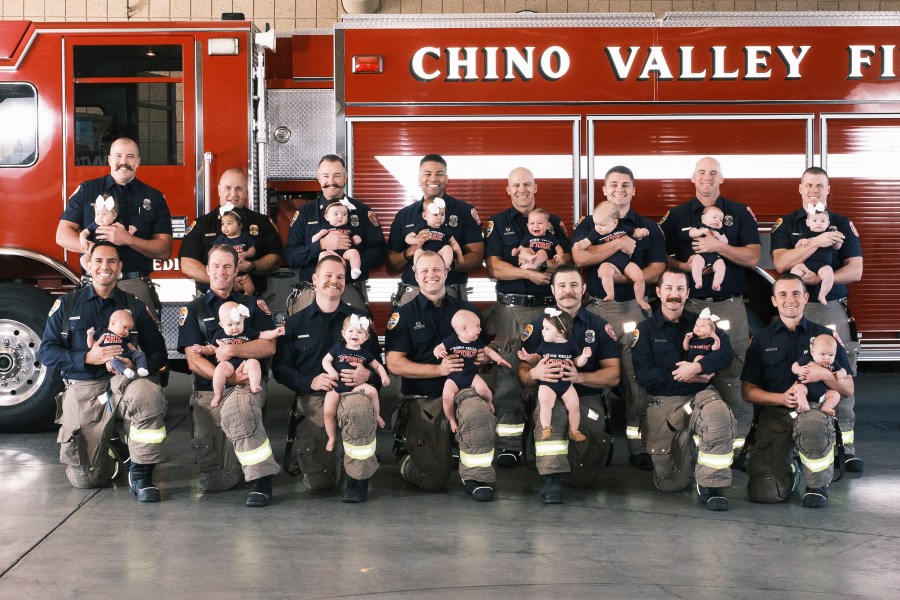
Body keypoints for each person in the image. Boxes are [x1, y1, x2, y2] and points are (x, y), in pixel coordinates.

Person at [40, 242, 167, 501]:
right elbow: (47, 352)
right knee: (86, 479)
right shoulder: (67, 305)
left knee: (148, 395)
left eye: (111, 261)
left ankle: (141, 474)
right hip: (85, 387)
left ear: (120, 267)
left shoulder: (135, 305)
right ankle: (115, 450)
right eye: (99, 260)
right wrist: (87, 356)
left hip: (124, 381)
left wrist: (135, 364)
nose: (104, 267)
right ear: (88, 264)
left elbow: (159, 354)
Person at [659, 156, 760, 465]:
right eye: (701, 172)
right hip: (689, 309)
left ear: (721, 179)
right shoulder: (676, 216)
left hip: (729, 306)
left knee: (735, 374)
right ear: (693, 178)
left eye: (713, 173)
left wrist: (721, 249)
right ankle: (691, 444)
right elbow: (662, 260)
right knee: (690, 372)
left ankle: (738, 446)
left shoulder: (740, 213)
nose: (707, 177)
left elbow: (753, 256)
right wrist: (684, 265)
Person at [571, 166, 666, 471]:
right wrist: (618, 244)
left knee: (637, 380)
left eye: (626, 185)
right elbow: (580, 258)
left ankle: (638, 445)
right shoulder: (589, 223)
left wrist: (625, 279)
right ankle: (598, 441)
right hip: (596, 311)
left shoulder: (646, 226)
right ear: (604, 189)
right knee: (596, 379)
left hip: (633, 311)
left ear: (634, 190)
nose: (619, 189)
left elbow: (657, 268)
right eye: (613, 184)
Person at [770, 167, 863, 473]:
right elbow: (780, 262)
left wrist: (821, 278)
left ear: (828, 189)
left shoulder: (842, 224)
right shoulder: (787, 223)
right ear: (800, 188)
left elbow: (855, 270)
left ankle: (845, 447)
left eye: (819, 186)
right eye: (808, 185)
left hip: (828, 307)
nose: (813, 190)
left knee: (839, 374)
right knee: (790, 374)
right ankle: (794, 442)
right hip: (795, 309)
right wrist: (816, 242)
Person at [385, 251, 498, 502]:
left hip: (463, 390)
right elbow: (394, 363)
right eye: (424, 270)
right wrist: (438, 370)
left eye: (436, 269)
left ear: (447, 271)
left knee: (478, 413)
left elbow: (484, 349)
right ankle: (405, 451)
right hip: (423, 398)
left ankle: (477, 477)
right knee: (432, 479)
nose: (430, 275)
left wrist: (483, 358)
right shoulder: (403, 315)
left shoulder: (467, 310)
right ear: (415, 274)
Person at [177, 244, 281, 507]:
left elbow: (268, 346)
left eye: (227, 266)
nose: (221, 272)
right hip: (211, 389)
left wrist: (233, 350)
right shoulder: (193, 310)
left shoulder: (253, 305)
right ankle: (236, 464)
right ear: (207, 269)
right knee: (219, 481)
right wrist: (223, 377)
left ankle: (261, 481)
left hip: (247, 383)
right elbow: (193, 358)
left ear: (236, 270)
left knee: (241, 413)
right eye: (216, 266)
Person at [272, 255, 383, 503]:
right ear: (314, 280)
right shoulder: (294, 323)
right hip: (313, 399)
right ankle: (333, 462)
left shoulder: (360, 321)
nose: (334, 281)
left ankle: (358, 479)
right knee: (320, 483)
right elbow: (280, 368)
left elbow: (379, 365)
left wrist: (368, 375)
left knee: (357, 410)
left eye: (340, 277)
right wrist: (308, 382)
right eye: (328, 276)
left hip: (353, 394)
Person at [741, 274, 855, 508]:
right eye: (782, 294)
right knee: (765, 494)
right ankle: (789, 470)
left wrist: (824, 375)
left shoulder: (826, 337)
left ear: (805, 298)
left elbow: (848, 389)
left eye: (795, 293)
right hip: (775, 414)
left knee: (812, 423)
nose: (789, 299)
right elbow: (748, 392)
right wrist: (780, 398)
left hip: (813, 410)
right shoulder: (761, 338)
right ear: (774, 301)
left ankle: (816, 485)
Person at [484, 167, 571, 467]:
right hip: (513, 309)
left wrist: (547, 269)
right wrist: (526, 274)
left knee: (552, 368)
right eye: (516, 185)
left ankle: (547, 438)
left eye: (527, 185)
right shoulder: (498, 223)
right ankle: (509, 443)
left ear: (536, 187)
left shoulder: (553, 222)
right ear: (508, 190)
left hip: (550, 309)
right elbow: (494, 267)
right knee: (508, 371)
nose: (522, 190)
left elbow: (568, 260)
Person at [631, 269, 737, 511]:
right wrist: (685, 376)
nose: (674, 294)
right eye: (668, 288)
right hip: (665, 401)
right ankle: (688, 461)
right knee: (671, 484)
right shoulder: (645, 330)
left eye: (680, 289)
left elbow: (725, 352)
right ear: (658, 292)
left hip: (700, 396)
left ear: (688, 293)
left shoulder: (702, 323)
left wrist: (699, 366)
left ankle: (710, 485)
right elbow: (644, 375)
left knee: (718, 415)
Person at [518, 264, 621, 504]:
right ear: (553, 291)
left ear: (584, 289)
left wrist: (580, 377)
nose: (568, 291)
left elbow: (614, 375)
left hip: (586, 397)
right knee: (552, 414)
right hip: (549, 394)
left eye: (574, 285)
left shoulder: (598, 326)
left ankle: (571, 465)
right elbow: (522, 376)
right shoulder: (537, 326)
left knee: (582, 477)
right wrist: (535, 372)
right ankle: (551, 478)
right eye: (562, 286)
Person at [57, 137, 172, 315]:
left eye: (130, 156)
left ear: (138, 161)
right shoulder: (88, 190)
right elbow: (62, 235)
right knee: (88, 340)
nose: (123, 162)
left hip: (135, 284)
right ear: (110, 159)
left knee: (144, 340)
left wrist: (128, 239)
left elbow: (164, 250)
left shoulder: (154, 197)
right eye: (118, 156)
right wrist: (95, 250)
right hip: (95, 283)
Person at [284, 155, 385, 313]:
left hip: (350, 289)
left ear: (345, 177)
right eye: (325, 176)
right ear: (318, 178)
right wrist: (321, 245)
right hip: (311, 293)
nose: (331, 181)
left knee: (354, 336)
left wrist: (348, 264)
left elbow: (379, 251)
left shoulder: (362, 212)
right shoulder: (305, 213)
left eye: (337, 175)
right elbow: (291, 256)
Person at [386, 154, 484, 306]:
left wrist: (442, 264)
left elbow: (477, 258)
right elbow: (391, 264)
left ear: (446, 179)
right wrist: (409, 253)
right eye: (427, 174)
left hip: (451, 293)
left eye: (439, 174)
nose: (433, 178)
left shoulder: (465, 211)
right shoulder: (405, 215)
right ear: (419, 179)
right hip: (412, 294)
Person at [179, 168, 283, 296]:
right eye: (227, 188)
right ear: (218, 190)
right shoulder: (202, 224)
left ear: (246, 191)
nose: (233, 194)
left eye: (238, 189)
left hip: (252, 300)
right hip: (211, 299)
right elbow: (187, 263)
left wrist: (251, 266)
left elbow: (275, 259)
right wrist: (222, 280)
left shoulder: (262, 222)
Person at [189, 301, 284, 407]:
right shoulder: (219, 334)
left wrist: (275, 332)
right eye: (230, 325)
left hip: (245, 362)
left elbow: (263, 334)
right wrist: (201, 349)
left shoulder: (247, 331)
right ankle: (217, 394)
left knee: (254, 363)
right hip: (228, 364)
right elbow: (212, 348)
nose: (235, 328)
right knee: (219, 371)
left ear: (243, 320)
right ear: (221, 324)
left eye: (238, 323)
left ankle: (254, 385)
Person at [518, 308, 592, 442]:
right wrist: (528, 357)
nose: (542, 331)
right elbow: (537, 358)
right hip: (547, 384)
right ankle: (546, 427)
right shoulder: (544, 345)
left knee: (574, 405)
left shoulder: (571, 346)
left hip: (566, 384)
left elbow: (578, 363)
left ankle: (574, 430)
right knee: (546, 403)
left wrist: (584, 356)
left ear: (560, 333)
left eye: (546, 329)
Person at [321, 313, 390, 452]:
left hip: (355, 386)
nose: (355, 334)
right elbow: (325, 360)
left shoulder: (365, 353)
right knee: (328, 412)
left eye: (360, 332)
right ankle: (332, 437)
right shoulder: (338, 348)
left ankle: (376, 414)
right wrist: (331, 371)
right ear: (344, 333)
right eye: (351, 331)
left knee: (373, 392)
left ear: (366, 337)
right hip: (336, 386)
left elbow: (377, 366)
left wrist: (383, 376)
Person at [435, 309, 511, 433]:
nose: (480, 329)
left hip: (471, 376)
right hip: (454, 378)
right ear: (464, 328)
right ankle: (451, 419)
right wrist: (438, 352)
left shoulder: (476, 342)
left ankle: (489, 402)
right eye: (477, 326)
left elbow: (489, 351)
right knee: (447, 398)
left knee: (483, 389)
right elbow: (438, 347)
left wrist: (499, 359)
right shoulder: (452, 340)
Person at [574, 200, 651, 313]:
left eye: (602, 225)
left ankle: (639, 299)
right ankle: (610, 294)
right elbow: (586, 241)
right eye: (596, 224)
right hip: (608, 263)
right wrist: (580, 245)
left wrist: (641, 232)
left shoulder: (622, 228)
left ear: (615, 222)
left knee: (639, 276)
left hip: (625, 262)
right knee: (605, 271)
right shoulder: (595, 233)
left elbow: (634, 232)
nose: (598, 227)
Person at [789, 204, 842, 305]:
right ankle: (793, 292)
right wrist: (802, 242)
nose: (819, 223)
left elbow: (837, 247)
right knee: (795, 270)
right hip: (807, 264)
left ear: (828, 223)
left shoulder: (830, 234)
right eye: (815, 220)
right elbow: (796, 248)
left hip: (823, 265)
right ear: (808, 222)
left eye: (823, 221)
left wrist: (838, 240)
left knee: (829, 274)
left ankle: (822, 294)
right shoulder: (806, 235)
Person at [791, 333, 848, 417]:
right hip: (805, 390)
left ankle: (826, 407)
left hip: (823, 394)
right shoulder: (808, 358)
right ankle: (803, 404)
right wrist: (799, 370)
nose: (826, 358)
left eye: (831, 355)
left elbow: (844, 370)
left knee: (835, 395)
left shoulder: (833, 364)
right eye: (822, 354)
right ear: (813, 352)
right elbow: (794, 366)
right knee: (797, 388)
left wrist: (841, 373)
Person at [78, 195, 137, 271]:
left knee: (119, 261)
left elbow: (124, 238)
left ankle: (116, 274)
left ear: (114, 216)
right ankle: (91, 272)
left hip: (112, 254)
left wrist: (130, 232)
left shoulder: (116, 226)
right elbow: (85, 232)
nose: (100, 217)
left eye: (104, 214)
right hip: (96, 252)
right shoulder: (94, 225)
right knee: (83, 259)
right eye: (97, 214)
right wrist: (82, 238)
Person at [87, 309, 150, 379]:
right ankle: (125, 371)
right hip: (113, 357)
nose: (127, 332)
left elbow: (130, 346)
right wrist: (90, 335)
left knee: (140, 354)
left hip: (126, 354)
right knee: (114, 361)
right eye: (124, 327)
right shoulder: (101, 331)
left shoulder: (124, 336)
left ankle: (141, 369)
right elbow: (91, 345)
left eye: (129, 329)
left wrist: (136, 354)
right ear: (113, 323)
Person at [311, 197, 365, 280]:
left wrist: (356, 240)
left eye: (344, 214)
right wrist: (319, 235)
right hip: (330, 252)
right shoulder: (326, 228)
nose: (340, 217)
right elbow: (314, 241)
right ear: (326, 217)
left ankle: (355, 270)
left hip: (345, 253)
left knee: (354, 252)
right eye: (336, 214)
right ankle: (322, 273)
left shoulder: (349, 229)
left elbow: (354, 241)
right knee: (322, 255)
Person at [405, 196, 464, 268]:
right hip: (424, 255)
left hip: (440, 256)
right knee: (418, 251)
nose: (439, 218)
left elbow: (453, 242)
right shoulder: (422, 226)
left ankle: (444, 268)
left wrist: (459, 254)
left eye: (442, 214)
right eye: (435, 214)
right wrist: (416, 240)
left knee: (448, 248)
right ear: (425, 216)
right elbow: (407, 238)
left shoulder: (445, 229)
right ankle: (417, 268)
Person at [687, 205, 728, 292]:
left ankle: (716, 283)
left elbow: (726, 242)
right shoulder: (699, 226)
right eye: (714, 217)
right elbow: (691, 233)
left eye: (721, 220)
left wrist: (719, 237)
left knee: (721, 266)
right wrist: (700, 232)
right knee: (696, 263)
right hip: (700, 255)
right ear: (703, 218)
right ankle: (698, 280)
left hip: (715, 257)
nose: (718, 220)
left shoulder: (720, 231)